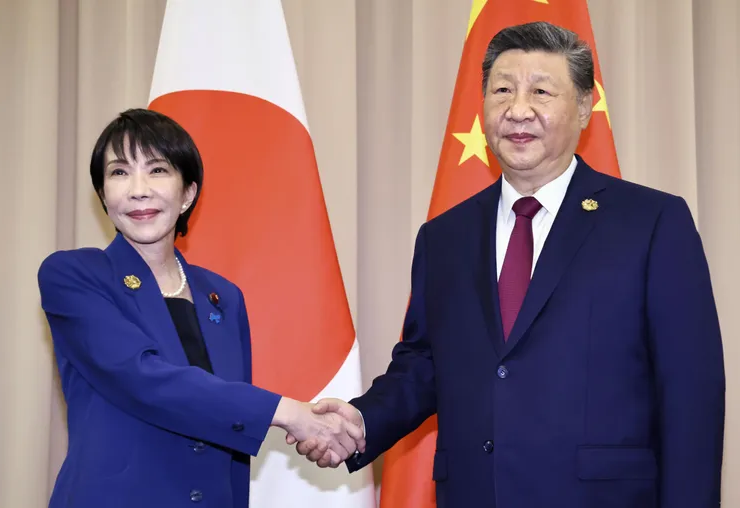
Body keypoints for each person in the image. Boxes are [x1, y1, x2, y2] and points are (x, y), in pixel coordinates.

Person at [292, 21, 726, 508]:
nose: (518, 110)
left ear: (585, 106)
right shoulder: (444, 236)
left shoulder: (651, 222)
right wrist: (361, 421)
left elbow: (691, 392)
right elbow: (425, 365)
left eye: (541, 91)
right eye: (502, 90)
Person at [37, 108, 364, 508]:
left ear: (188, 193)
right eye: (119, 172)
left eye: (157, 170)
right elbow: (142, 378)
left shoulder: (223, 296)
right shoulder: (73, 275)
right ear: (103, 195)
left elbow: (229, 437)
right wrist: (288, 412)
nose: (138, 189)